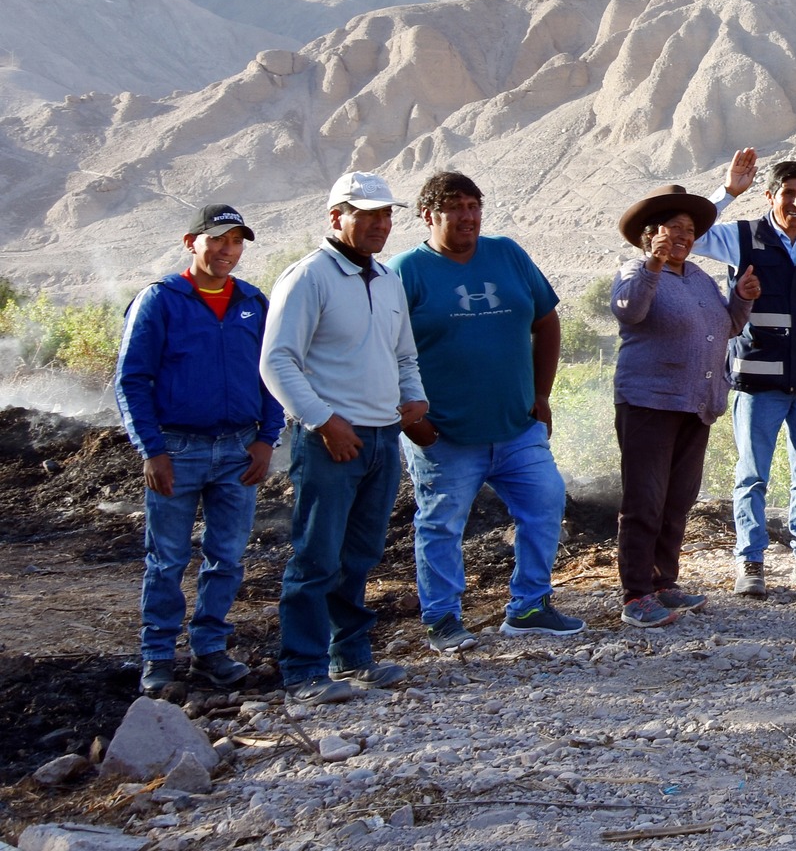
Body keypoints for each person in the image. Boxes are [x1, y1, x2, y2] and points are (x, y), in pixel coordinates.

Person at [390, 172, 582, 653]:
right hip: (446, 435)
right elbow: (381, 349)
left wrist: (542, 395)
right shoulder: (405, 271)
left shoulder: (508, 254)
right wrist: (412, 421)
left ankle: (529, 606)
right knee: (440, 524)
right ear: (428, 214)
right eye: (455, 207)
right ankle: (442, 619)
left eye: (474, 205)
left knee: (545, 503)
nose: (468, 216)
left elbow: (546, 319)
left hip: (518, 427)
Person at [261, 172, 429, 704]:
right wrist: (322, 420)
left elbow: (404, 353)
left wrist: (414, 396)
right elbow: (277, 360)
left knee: (360, 554)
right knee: (316, 556)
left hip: (383, 437)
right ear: (337, 217)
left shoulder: (386, 277)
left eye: (386, 215)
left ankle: (352, 657)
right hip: (332, 440)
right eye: (368, 214)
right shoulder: (309, 276)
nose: (381, 224)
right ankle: (304, 671)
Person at [116, 203, 283, 696]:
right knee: (166, 559)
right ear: (191, 243)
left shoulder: (254, 302)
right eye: (216, 240)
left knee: (227, 557)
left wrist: (265, 440)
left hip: (238, 450)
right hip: (177, 449)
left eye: (235, 242)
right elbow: (131, 379)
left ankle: (210, 649)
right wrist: (151, 449)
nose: (227, 250)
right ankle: (159, 657)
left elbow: (272, 375)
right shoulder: (160, 300)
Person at [697, 150, 796, 596]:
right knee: (752, 475)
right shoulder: (742, 237)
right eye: (788, 194)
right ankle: (751, 563)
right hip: (758, 382)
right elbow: (693, 233)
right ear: (770, 196)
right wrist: (727, 193)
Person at [610, 186, 760, 627]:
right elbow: (629, 311)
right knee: (646, 498)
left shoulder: (698, 276)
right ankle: (636, 593)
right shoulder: (635, 269)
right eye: (674, 228)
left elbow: (727, 326)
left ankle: (664, 582)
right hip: (649, 403)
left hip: (696, 403)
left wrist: (743, 298)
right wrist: (653, 264)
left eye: (690, 230)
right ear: (650, 233)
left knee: (678, 498)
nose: (683, 236)